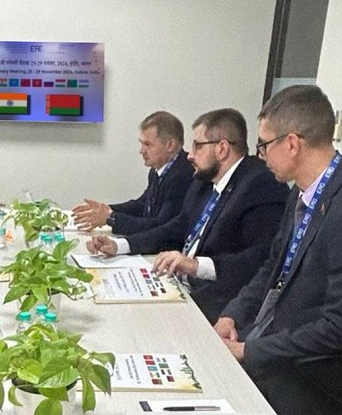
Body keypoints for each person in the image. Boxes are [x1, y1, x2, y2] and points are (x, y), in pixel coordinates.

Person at [213, 85, 342, 415]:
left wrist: (249, 350)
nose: (261, 155)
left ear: (292, 143)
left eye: (264, 145)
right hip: (275, 332)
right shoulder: (303, 193)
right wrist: (232, 316)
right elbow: (273, 268)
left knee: (209, 394)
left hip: (312, 366)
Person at [87, 109, 288, 321]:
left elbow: (258, 260)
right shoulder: (204, 181)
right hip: (179, 284)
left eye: (197, 146)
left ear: (222, 148)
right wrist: (120, 246)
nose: (190, 155)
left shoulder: (260, 185)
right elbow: (176, 227)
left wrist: (196, 265)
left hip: (217, 303)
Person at [72, 111, 194, 235]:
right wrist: (105, 210)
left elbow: (160, 226)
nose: (142, 151)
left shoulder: (183, 175)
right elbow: (141, 205)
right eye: (141, 143)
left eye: (147, 144)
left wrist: (110, 217)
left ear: (170, 145)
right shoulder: (158, 169)